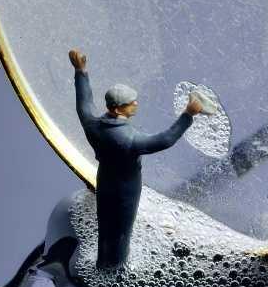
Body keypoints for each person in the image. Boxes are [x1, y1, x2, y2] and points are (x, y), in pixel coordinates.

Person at [69, 49, 202, 269]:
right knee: (121, 229)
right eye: (132, 102)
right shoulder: (128, 139)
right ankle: (115, 267)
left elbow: (83, 104)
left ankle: (104, 260)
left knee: (106, 223)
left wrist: (80, 71)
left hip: (105, 180)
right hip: (126, 189)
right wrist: (188, 115)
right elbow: (165, 139)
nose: (136, 103)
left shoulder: (93, 125)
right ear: (118, 108)